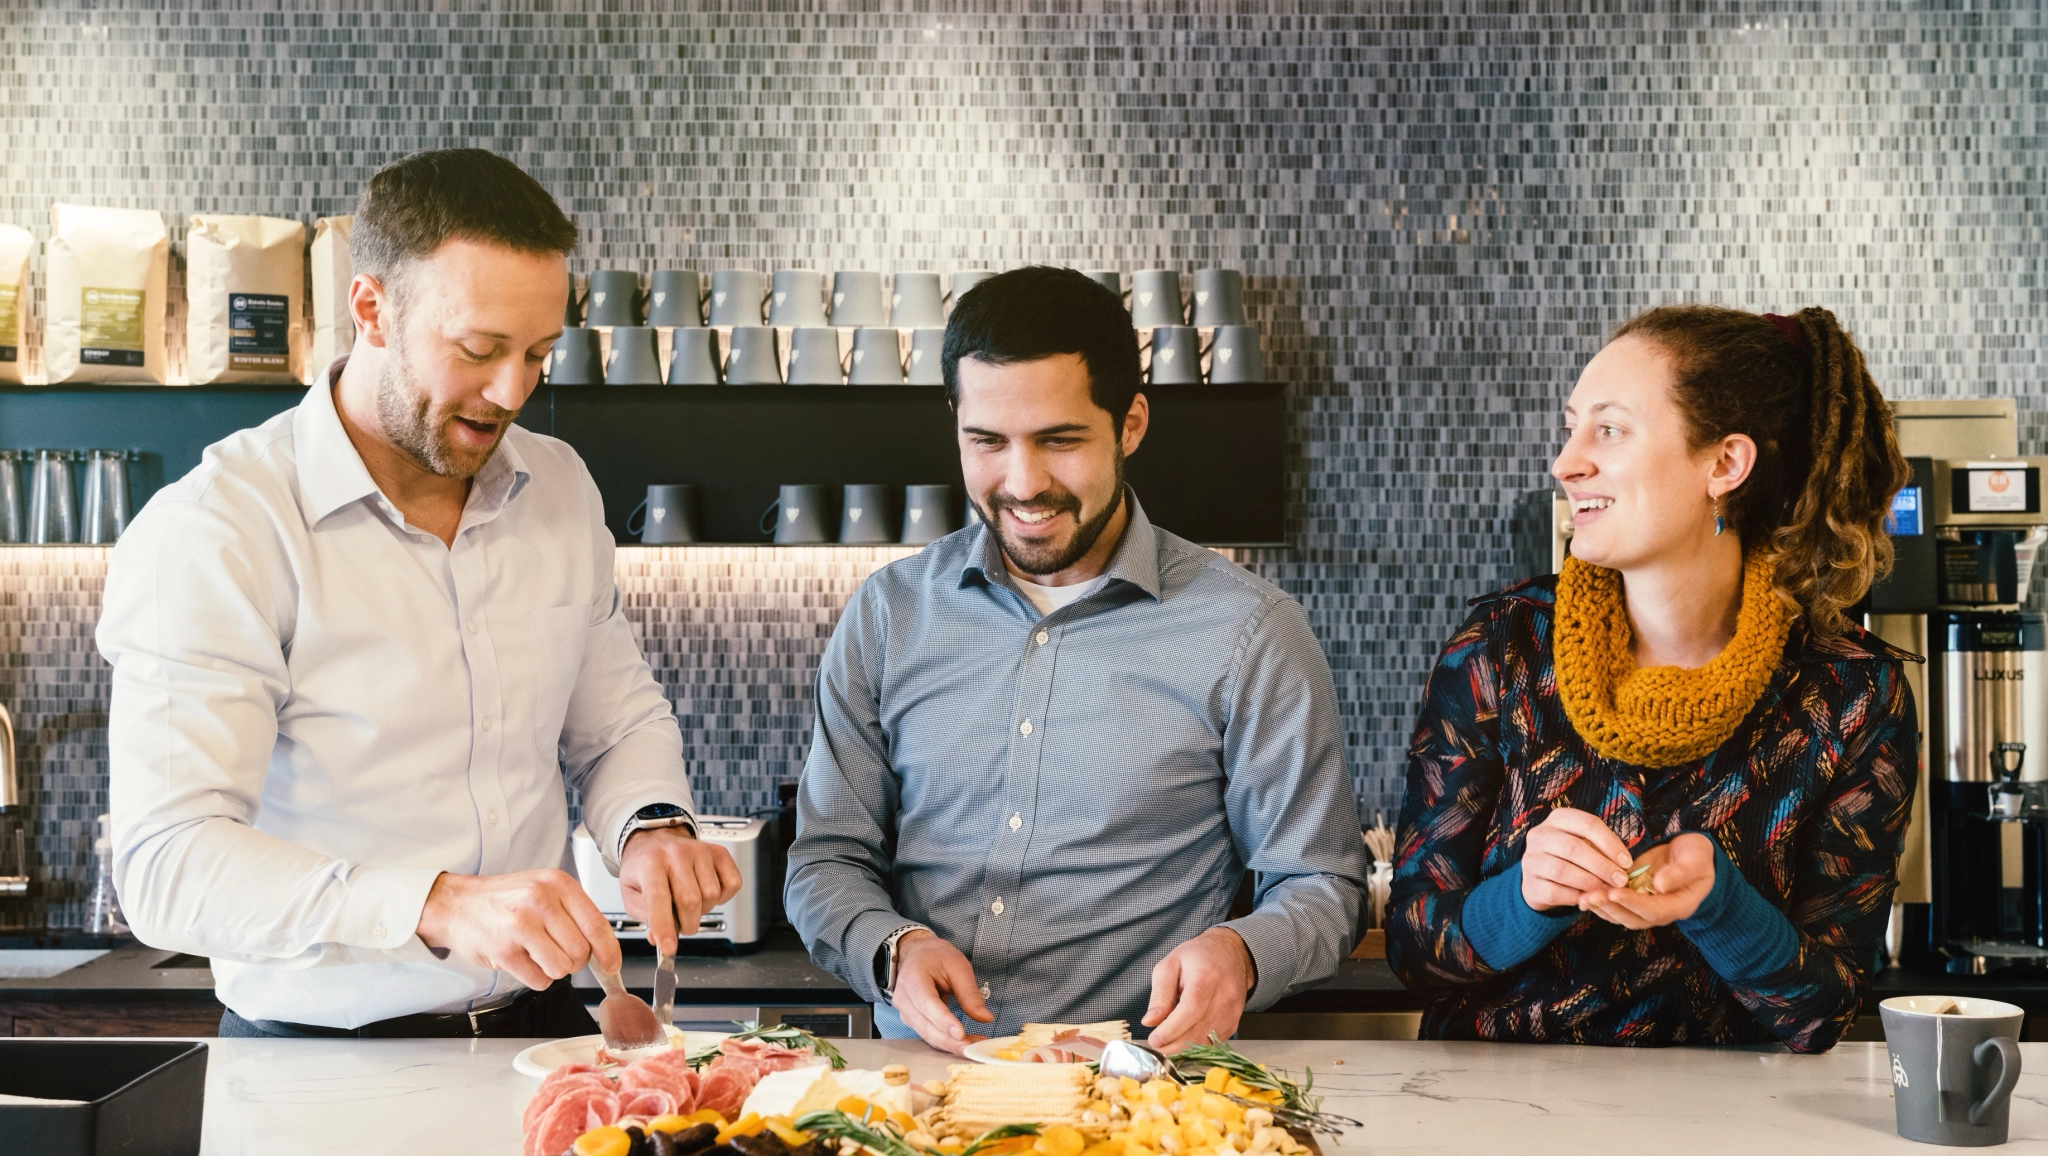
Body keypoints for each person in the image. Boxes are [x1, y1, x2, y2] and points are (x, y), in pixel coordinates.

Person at [97, 149, 740, 1038]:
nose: (511, 391)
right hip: (320, 1068)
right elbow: (169, 865)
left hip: (536, 1030)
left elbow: (617, 724)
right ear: (372, 310)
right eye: (478, 350)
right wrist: (434, 903)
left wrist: (651, 824)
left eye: (537, 354)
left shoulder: (558, 489)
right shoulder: (220, 528)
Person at [786, 266, 1366, 1054]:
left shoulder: (1250, 631)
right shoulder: (889, 615)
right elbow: (827, 859)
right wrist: (893, 949)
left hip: (1136, 1102)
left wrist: (1241, 951)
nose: (1023, 483)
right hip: (919, 1092)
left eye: (1060, 440)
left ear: (1129, 424)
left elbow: (1322, 885)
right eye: (987, 441)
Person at [1388, 304, 1917, 1051]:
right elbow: (1413, 953)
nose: (1565, 462)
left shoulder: (1851, 694)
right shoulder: (1499, 651)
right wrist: (1525, 897)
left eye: (1609, 429)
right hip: (1495, 1123)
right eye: (1571, 427)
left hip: (1737, 1139)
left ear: (1724, 465)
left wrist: (1722, 905)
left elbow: (1821, 1014)